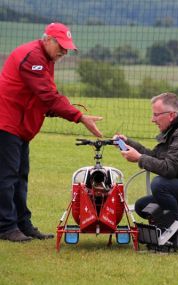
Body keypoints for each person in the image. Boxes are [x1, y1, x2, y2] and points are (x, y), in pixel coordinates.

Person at [0, 22, 103, 242]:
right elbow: (47, 95)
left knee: (20, 176)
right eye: (61, 46)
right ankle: (6, 227)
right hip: (6, 124)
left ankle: (22, 224)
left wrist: (60, 110)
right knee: (7, 177)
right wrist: (79, 116)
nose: (64, 51)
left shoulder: (47, 58)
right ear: (48, 39)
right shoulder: (33, 57)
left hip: (20, 126)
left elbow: (44, 97)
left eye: (67, 47)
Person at [115, 92, 178, 249]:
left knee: (160, 184)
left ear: (171, 115)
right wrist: (129, 143)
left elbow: (169, 169)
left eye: (156, 115)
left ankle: (173, 236)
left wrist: (139, 159)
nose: (152, 119)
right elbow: (156, 156)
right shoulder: (175, 130)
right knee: (142, 206)